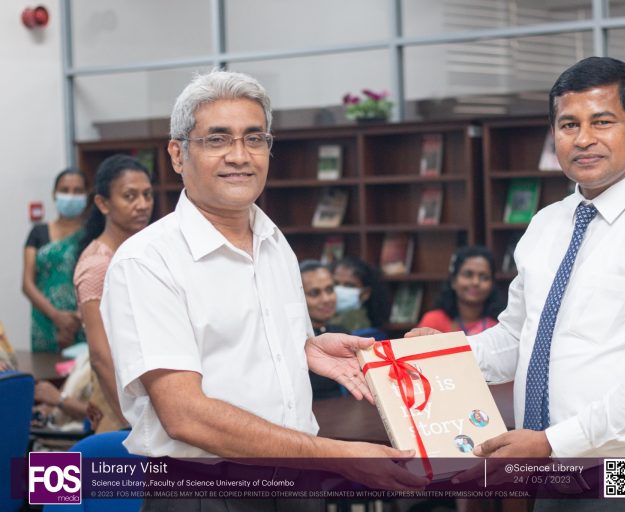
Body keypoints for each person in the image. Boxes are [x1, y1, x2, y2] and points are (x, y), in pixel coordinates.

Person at [412, 57, 625, 510]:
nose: (583, 139)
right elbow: (518, 338)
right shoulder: (547, 224)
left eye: (602, 122)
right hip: (557, 472)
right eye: (569, 125)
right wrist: (441, 355)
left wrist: (552, 442)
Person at [100, 70, 425, 509]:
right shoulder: (147, 261)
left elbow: (245, 346)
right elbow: (185, 416)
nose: (240, 156)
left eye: (254, 139)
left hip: (297, 487)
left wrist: (305, 347)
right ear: (178, 154)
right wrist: (337, 454)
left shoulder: (274, 242)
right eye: (218, 139)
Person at [74, 154, 153, 433]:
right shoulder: (98, 264)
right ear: (103, 203)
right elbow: (100, 355)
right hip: (119, 402)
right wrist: (131, 423)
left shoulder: (143, 251)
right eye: (130, 196)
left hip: (146, 389)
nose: (142, 204)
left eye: (147, 194)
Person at [22, 169, 88, 352]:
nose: (71, 196)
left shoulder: (92, 234)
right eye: (65, 190)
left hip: (83, 321)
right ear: (54, 194)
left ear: (86, 195)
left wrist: (77, 318)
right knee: (45, 369)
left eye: (77, 191)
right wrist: (57, 316)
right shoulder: (38, 233)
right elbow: (27, 284)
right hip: (45, 321)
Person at [417, 245, 505, 335]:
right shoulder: (433, 321)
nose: (475, 282)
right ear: (453, 281)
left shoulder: (501, 324)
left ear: (492, 284)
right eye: (468, 275)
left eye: (484, 277)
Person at [300, 259, 346, 400]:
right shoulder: (295, 344)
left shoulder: (341, 333)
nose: (326, 299)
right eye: (315, 293)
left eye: (329, 290)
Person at [331, 256, 389, 334]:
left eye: (349, 285)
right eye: (335, 283)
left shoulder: (360, 326)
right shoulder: (325, 318)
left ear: (365, 293)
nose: (339, 289)